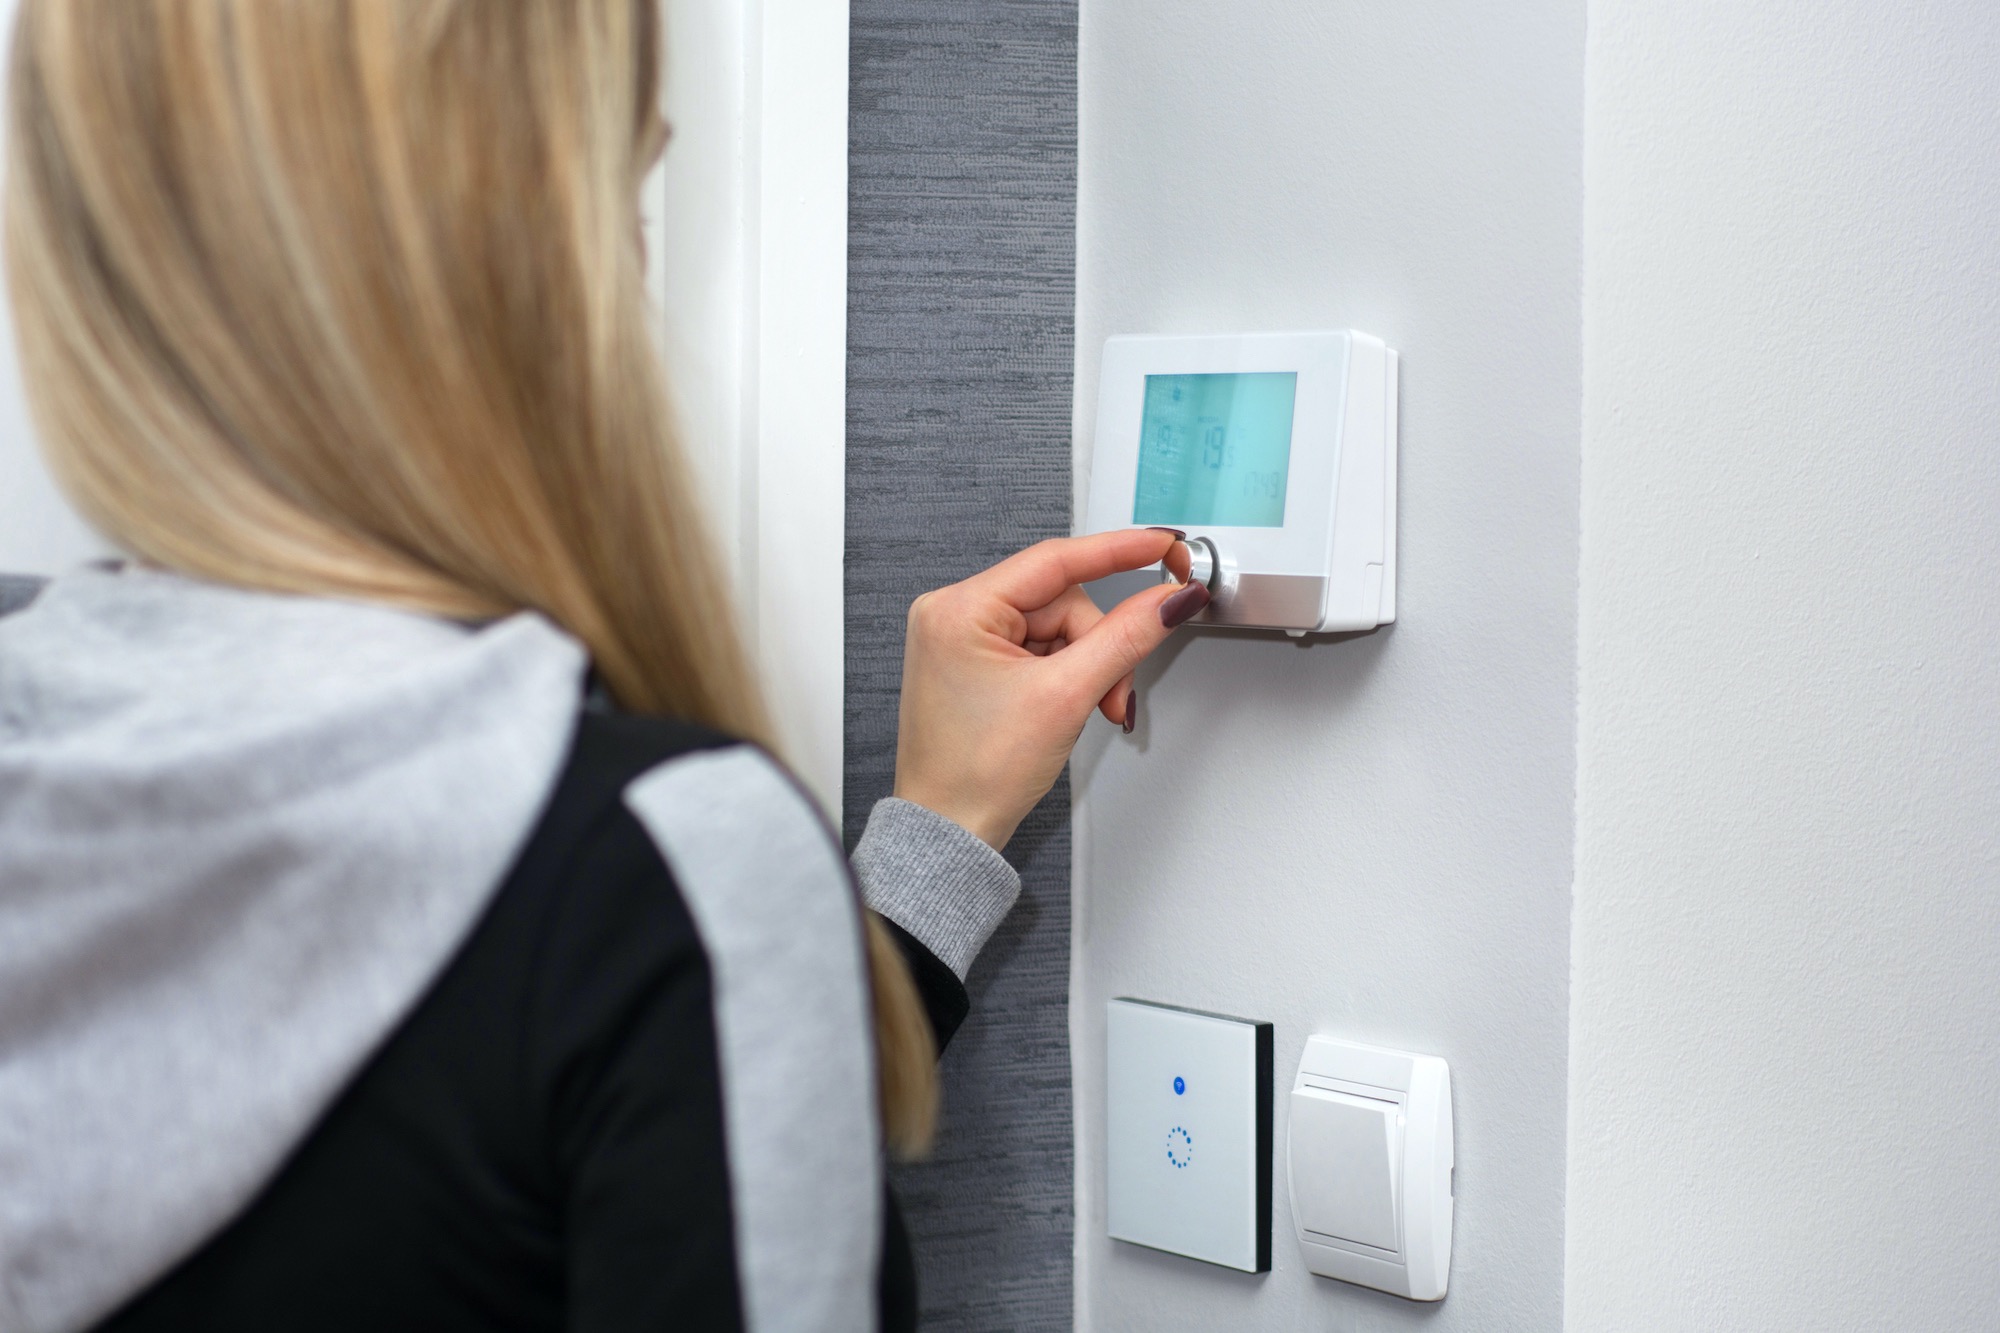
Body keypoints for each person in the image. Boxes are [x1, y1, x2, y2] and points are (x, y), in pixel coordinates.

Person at [0, 3, 1208, 1332]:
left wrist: (928, 843)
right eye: (629, 188)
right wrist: (734, 899)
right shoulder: (648, 865)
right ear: (519, 261)